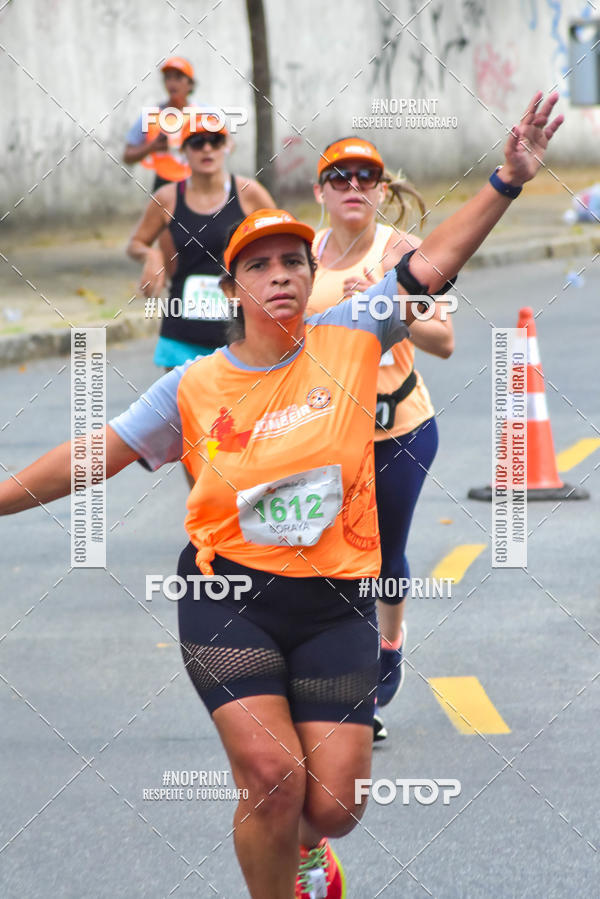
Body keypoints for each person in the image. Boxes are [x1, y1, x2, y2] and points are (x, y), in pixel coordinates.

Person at [0, 92, 562, 899]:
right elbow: (95, 454)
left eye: (293, 262)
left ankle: (307, 851)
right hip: (231, 595)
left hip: (336, 599)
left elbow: (432, 266)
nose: (280, 276)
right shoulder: (194, 385)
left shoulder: (357, 332)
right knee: (270, 774)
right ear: (235, 288)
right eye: (259, 266)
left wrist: (506, 182)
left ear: (310, 274)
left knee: (332, 803)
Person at [306, 137, 454, 740]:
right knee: (329, 561)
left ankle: (386, 648)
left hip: (400, 430)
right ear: (320, 192)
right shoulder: (303, 255)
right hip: (325, 435)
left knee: (381, 559)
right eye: (338, 178)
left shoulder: (404, 254)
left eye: (365, 177)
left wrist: (387, 308)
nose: (352, 187)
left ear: (382, 190)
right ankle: (346, 687)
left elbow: (444, 341)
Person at [127, 113, 276, 370]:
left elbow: (281, 242)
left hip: (240, 330)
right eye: (197, 142)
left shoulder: (249, 193)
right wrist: (152, 257)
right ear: (184, 151)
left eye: (215, 141)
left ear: (226, 147)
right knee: (183, 409)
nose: (207, 148)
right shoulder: (168, 197)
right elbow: (136, 243)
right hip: (183, 331)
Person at [123, 56, 198, 191]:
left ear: (190, 84)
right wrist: (152, 147)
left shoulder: (202, 114)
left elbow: (227, 144)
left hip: (196, 183)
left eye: (178, 77)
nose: (172, 83)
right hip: (163, 185)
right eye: (168, 78)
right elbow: (128, 156)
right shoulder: (151, 116)